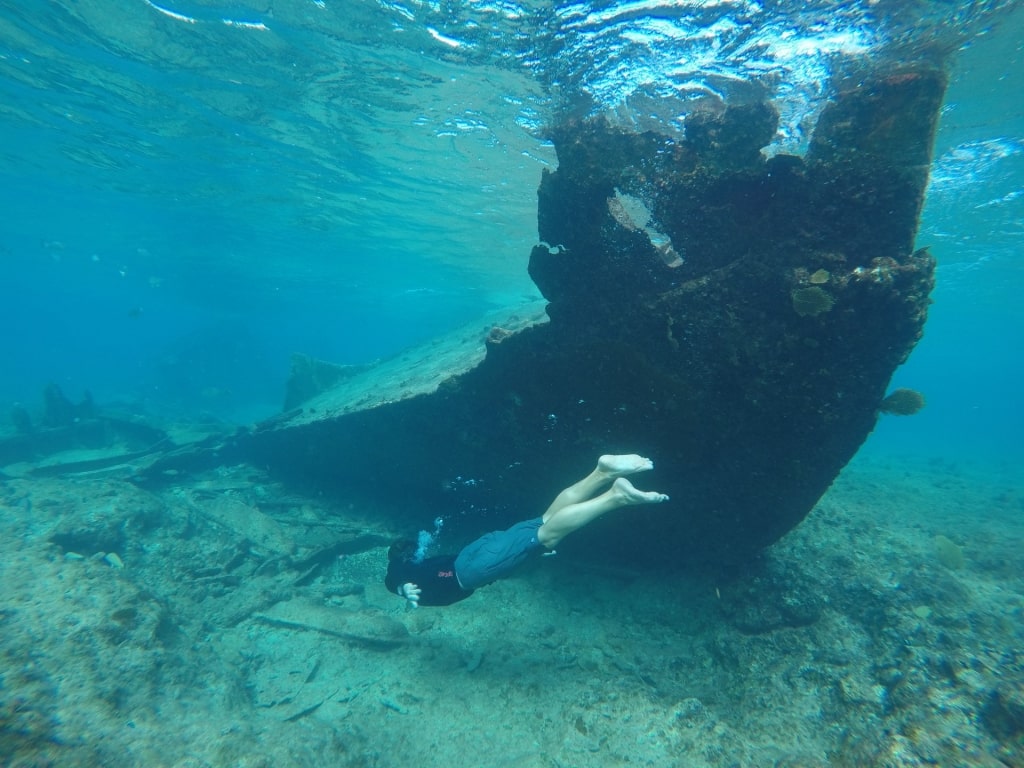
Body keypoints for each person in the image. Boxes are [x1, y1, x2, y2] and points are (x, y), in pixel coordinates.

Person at [384, 454, 669, 607]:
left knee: (546, 536)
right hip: (472, 553)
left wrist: (401, 588)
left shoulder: (399, 573)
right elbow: (394, 571)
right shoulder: (407, 563)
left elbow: (391, 579)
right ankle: (603, 472)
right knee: (544, 520)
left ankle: (615, 497)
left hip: (470, 572)